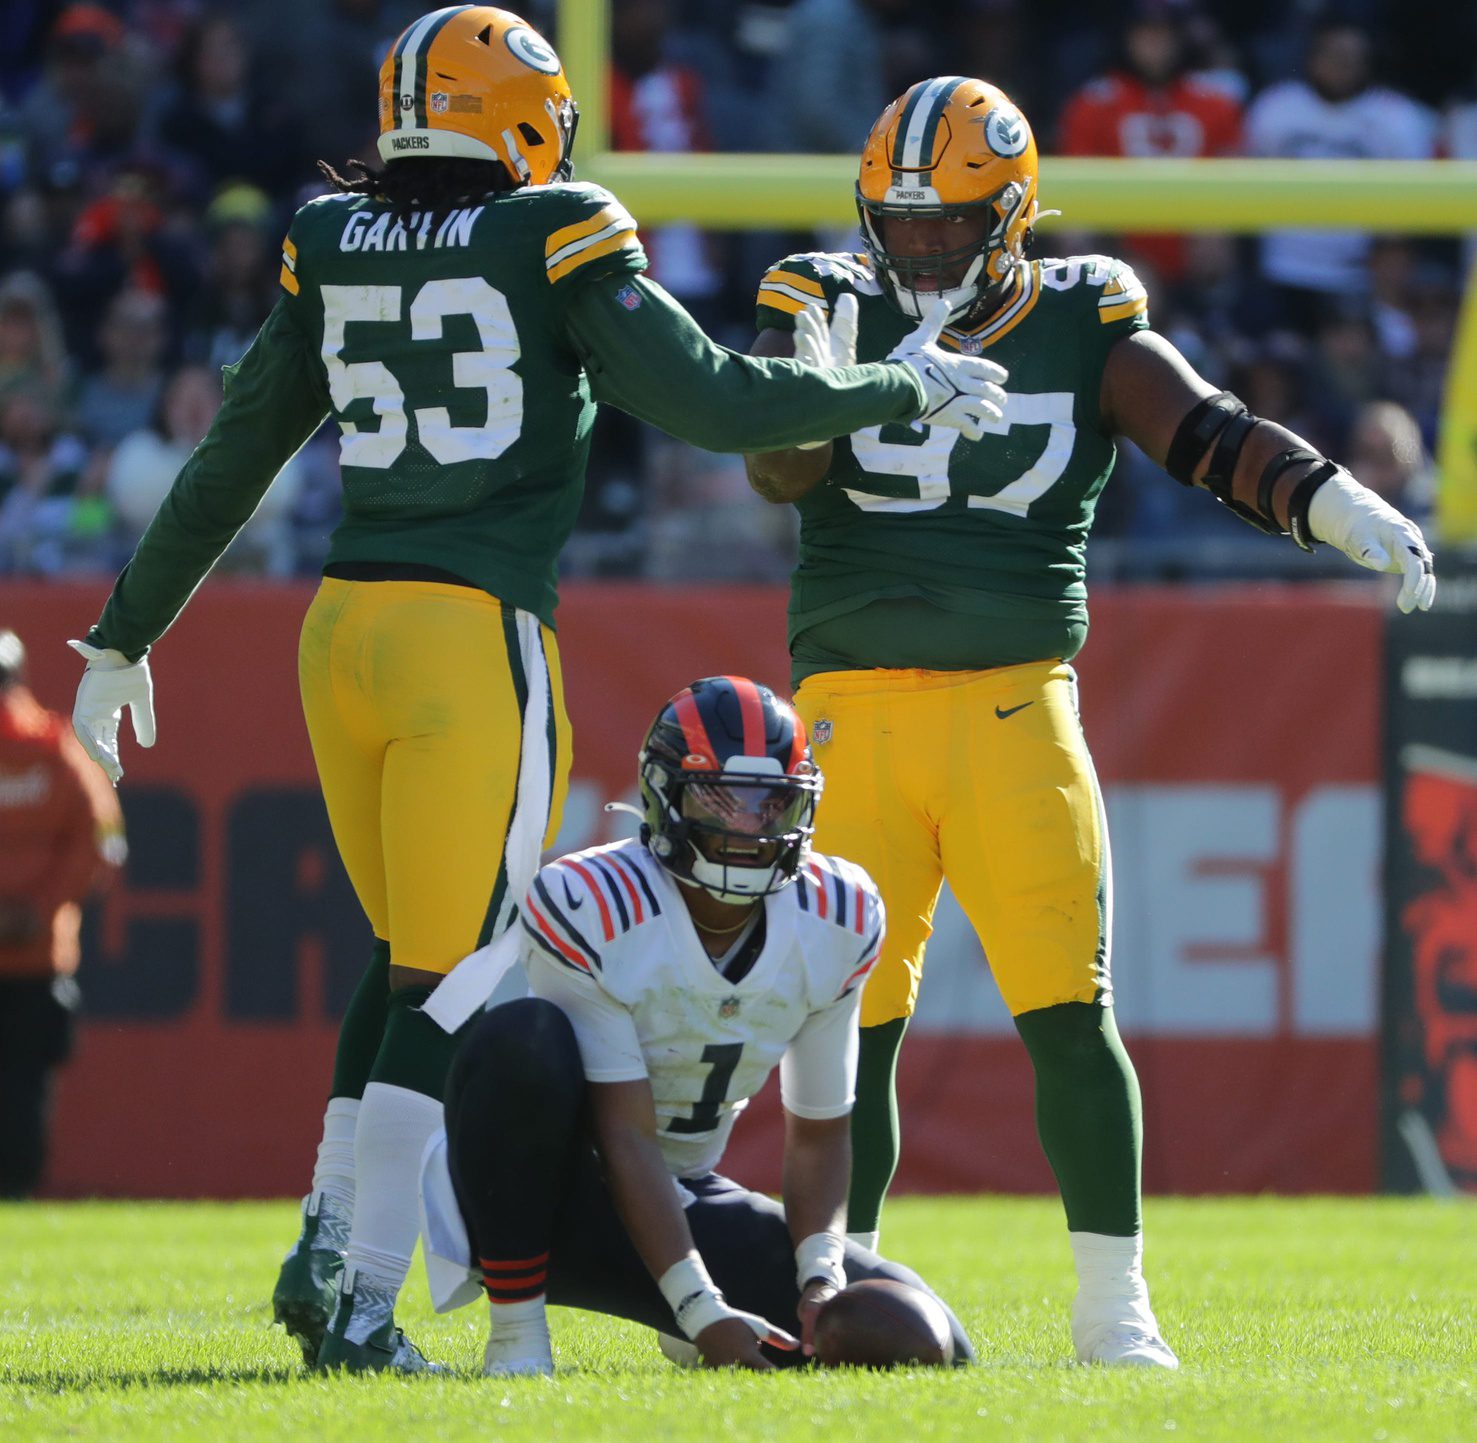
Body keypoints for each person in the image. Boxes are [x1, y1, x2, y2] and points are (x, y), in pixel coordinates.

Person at [65, 7, 1006, 1377]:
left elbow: (239, 447)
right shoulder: (555, 224)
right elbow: (720, 402)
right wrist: (896, 385)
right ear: (518, 113)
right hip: (469, 630)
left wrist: (121, 631)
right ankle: (360, 1295)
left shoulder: (326, 240)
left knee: (408, 968)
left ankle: (329, 1239)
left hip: (342, 630)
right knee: (454, 977)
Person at [744, 75, 1437, 1370]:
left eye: (951, 223)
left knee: (1068, 1008)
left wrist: (1335, 501)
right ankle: (830, 1296)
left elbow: (1207, 437)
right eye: (902, 223)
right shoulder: (823, 298)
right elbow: (778, 460)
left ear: (1010, 215)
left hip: (1015, 705)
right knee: (845, 1028)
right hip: (849, 718)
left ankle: (1115, 1310)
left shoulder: (1084, 315)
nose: (923, 247)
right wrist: (885, 387)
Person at [421, 676, 974, 1374]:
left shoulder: (839, 911)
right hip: (536, 1192)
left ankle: (682, 1314)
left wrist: (819, 1276)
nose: (748, 825)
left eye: (772, 802)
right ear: (663, 794)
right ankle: (516, 1330)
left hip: (676, 1192)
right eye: (721, 797)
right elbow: (623, 1135)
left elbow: (819, 1127)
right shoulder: (591, 900)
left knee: (924, 1338)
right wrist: (700, 1305)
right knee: (520, 1041)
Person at [0, 628, 124, 1197]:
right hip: (38, 954)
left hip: (36, 953)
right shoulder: (55, 751)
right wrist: (39, 910)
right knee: (24, 1088)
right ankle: (18, 1195)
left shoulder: (56, 751)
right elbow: (102, 840)